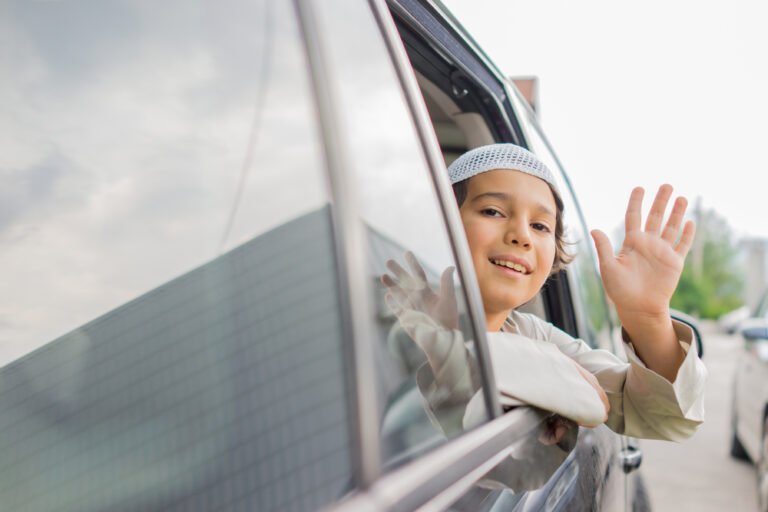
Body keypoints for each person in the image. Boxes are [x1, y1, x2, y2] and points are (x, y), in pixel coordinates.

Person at [381, 143, 706, 464]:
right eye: (492, 211)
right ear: (443, 226)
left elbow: (663, 418)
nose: (521, 235)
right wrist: (550, 371)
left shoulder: (534, 334)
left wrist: (646, 317)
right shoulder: (394, 322)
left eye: (540, 226)